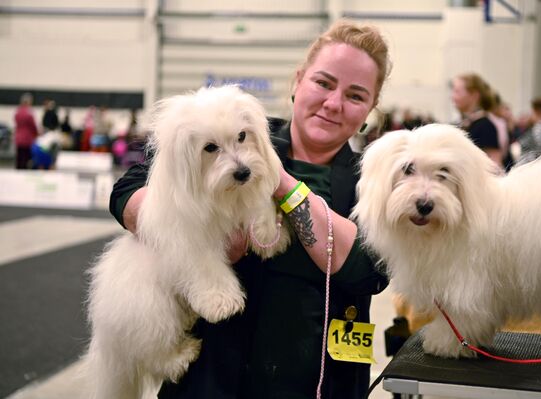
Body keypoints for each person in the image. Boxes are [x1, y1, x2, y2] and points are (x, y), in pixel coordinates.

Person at [109, 19, 391, 399]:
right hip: (210, 381)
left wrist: (280, 181)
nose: (333, 103)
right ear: (298, 80)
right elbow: (128, 190)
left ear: (371, 108)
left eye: (356, 96)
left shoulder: (373, 179)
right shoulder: (237, 127)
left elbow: (368, 271)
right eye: (323, 83)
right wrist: (184, 235)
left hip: (317, 384)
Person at [451, 73, 503, 169]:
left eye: (457, 92)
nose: (452, 96)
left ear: (474, 95)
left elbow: (494, 165)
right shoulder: (466, 122)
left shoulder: (486, 126)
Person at [14, 92, 39, 169]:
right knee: (26, 158)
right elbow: (33, 126)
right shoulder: (29, 113)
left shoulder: (17, 111)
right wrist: (36, 134)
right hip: (27, 139)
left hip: (18, 138)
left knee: (19, 157)